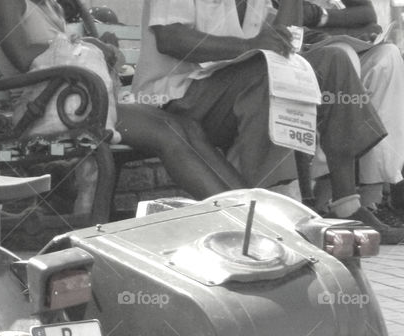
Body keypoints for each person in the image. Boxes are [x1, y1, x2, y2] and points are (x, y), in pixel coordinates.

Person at [133, 0, 400, 238]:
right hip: (178, 94)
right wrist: (250, 45)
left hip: (235, 87)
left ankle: (346, 205)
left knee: (335, 60)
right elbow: (170, 38)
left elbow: (283, 46)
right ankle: (278, 204)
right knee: (267, 74)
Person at [0, 0, 247, 206]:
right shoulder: (6, 2)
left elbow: (65, 58)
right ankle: (237, 215)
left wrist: (96, 48)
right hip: (39, 113)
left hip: (72, 102)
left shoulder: (50, 6)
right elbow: (22, 59)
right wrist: (86, 45)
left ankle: (253, 208)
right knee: (167, 134)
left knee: (187, 127)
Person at [298, 0, 404, 229]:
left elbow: (366, 13)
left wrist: (325, 20)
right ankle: (327, 197)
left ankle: (372, 200)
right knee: (342, 56)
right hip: (296, 58)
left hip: (331, 46)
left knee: (387, 57)